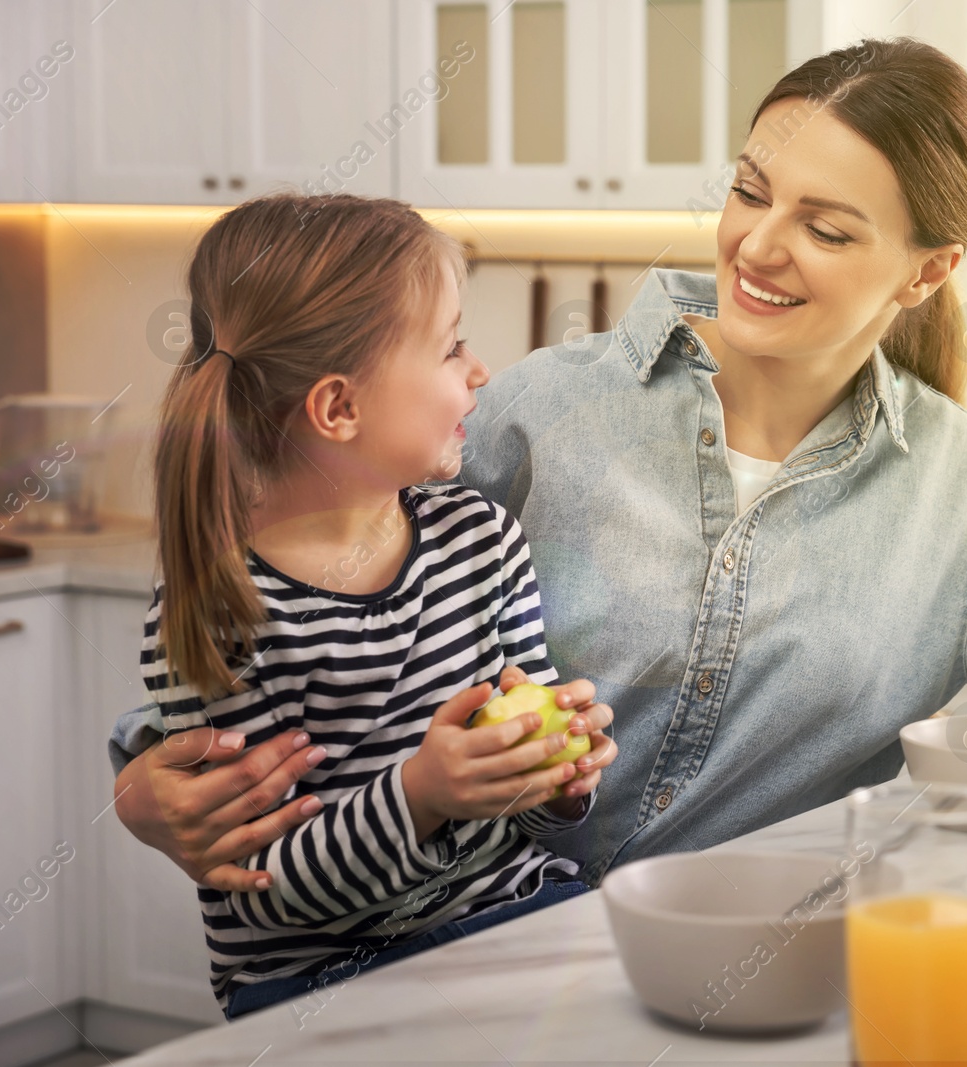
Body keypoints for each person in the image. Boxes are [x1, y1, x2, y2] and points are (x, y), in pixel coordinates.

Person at [112, 38, 967, 898]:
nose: (756, 244)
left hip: (759, 982)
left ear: (925, 271)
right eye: (750, 191)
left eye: (828, 229)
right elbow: (286, 611)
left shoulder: (961, 489)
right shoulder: (535, 415)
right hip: (481, 957)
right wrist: (144, 779)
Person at [133, 194, 617, 1018]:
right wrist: (424, 792)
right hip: (321, 982)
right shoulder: (217, 613)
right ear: (339, 408)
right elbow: (263, 889)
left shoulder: (480, 536)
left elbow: (536, 813)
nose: (479, 370)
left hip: (512, 916)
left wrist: (557, 774)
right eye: (451, 345)